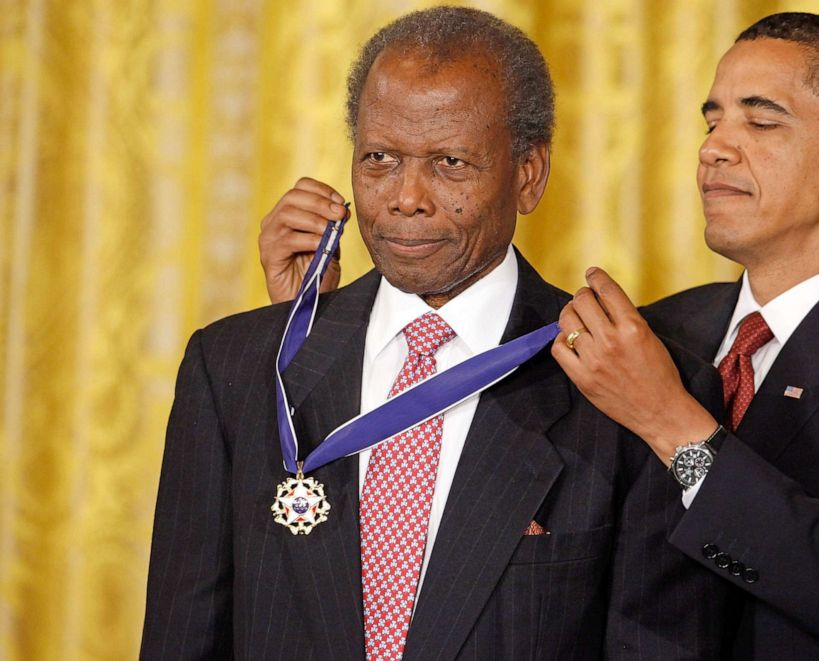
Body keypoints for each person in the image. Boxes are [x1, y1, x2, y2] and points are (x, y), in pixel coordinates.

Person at [142, 7, 730, 660]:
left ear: (528, 174)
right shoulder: (237, 368)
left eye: (449, 162)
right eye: (380, 158)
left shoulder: (628, 386)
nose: (406, 196)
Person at [551, 12, 819, 660]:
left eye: (760, 122)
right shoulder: (653, 332)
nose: (713, 148)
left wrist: (673, 424)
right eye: (712, 120)